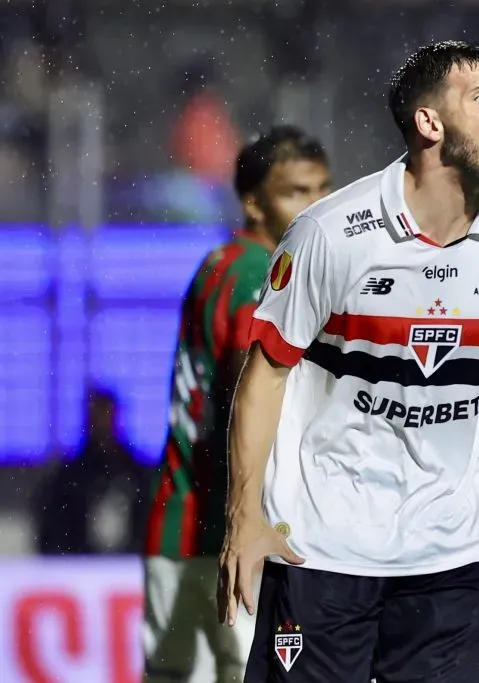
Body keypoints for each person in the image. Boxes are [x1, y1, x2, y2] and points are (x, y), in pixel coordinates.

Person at [217, 41, 479, 683]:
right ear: (430, 124)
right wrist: (245, 517)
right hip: (324, 551)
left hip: (445, 556)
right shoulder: (331, 234)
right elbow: (265, 376)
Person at [143, 126, 333, 683]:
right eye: (296, 191)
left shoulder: (217, 264)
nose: (316, 205)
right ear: (254, 202)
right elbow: (246, 394)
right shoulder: (260, 275)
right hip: (232, 534)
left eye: (323, 188)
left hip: (178, 524)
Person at [34, 388, 149, 555]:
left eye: (106, 414)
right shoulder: (67, 479)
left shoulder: (138, 475)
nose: (102, 422)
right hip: (80, 570)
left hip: (131, 568)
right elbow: (53, 535)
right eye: (97, 415)